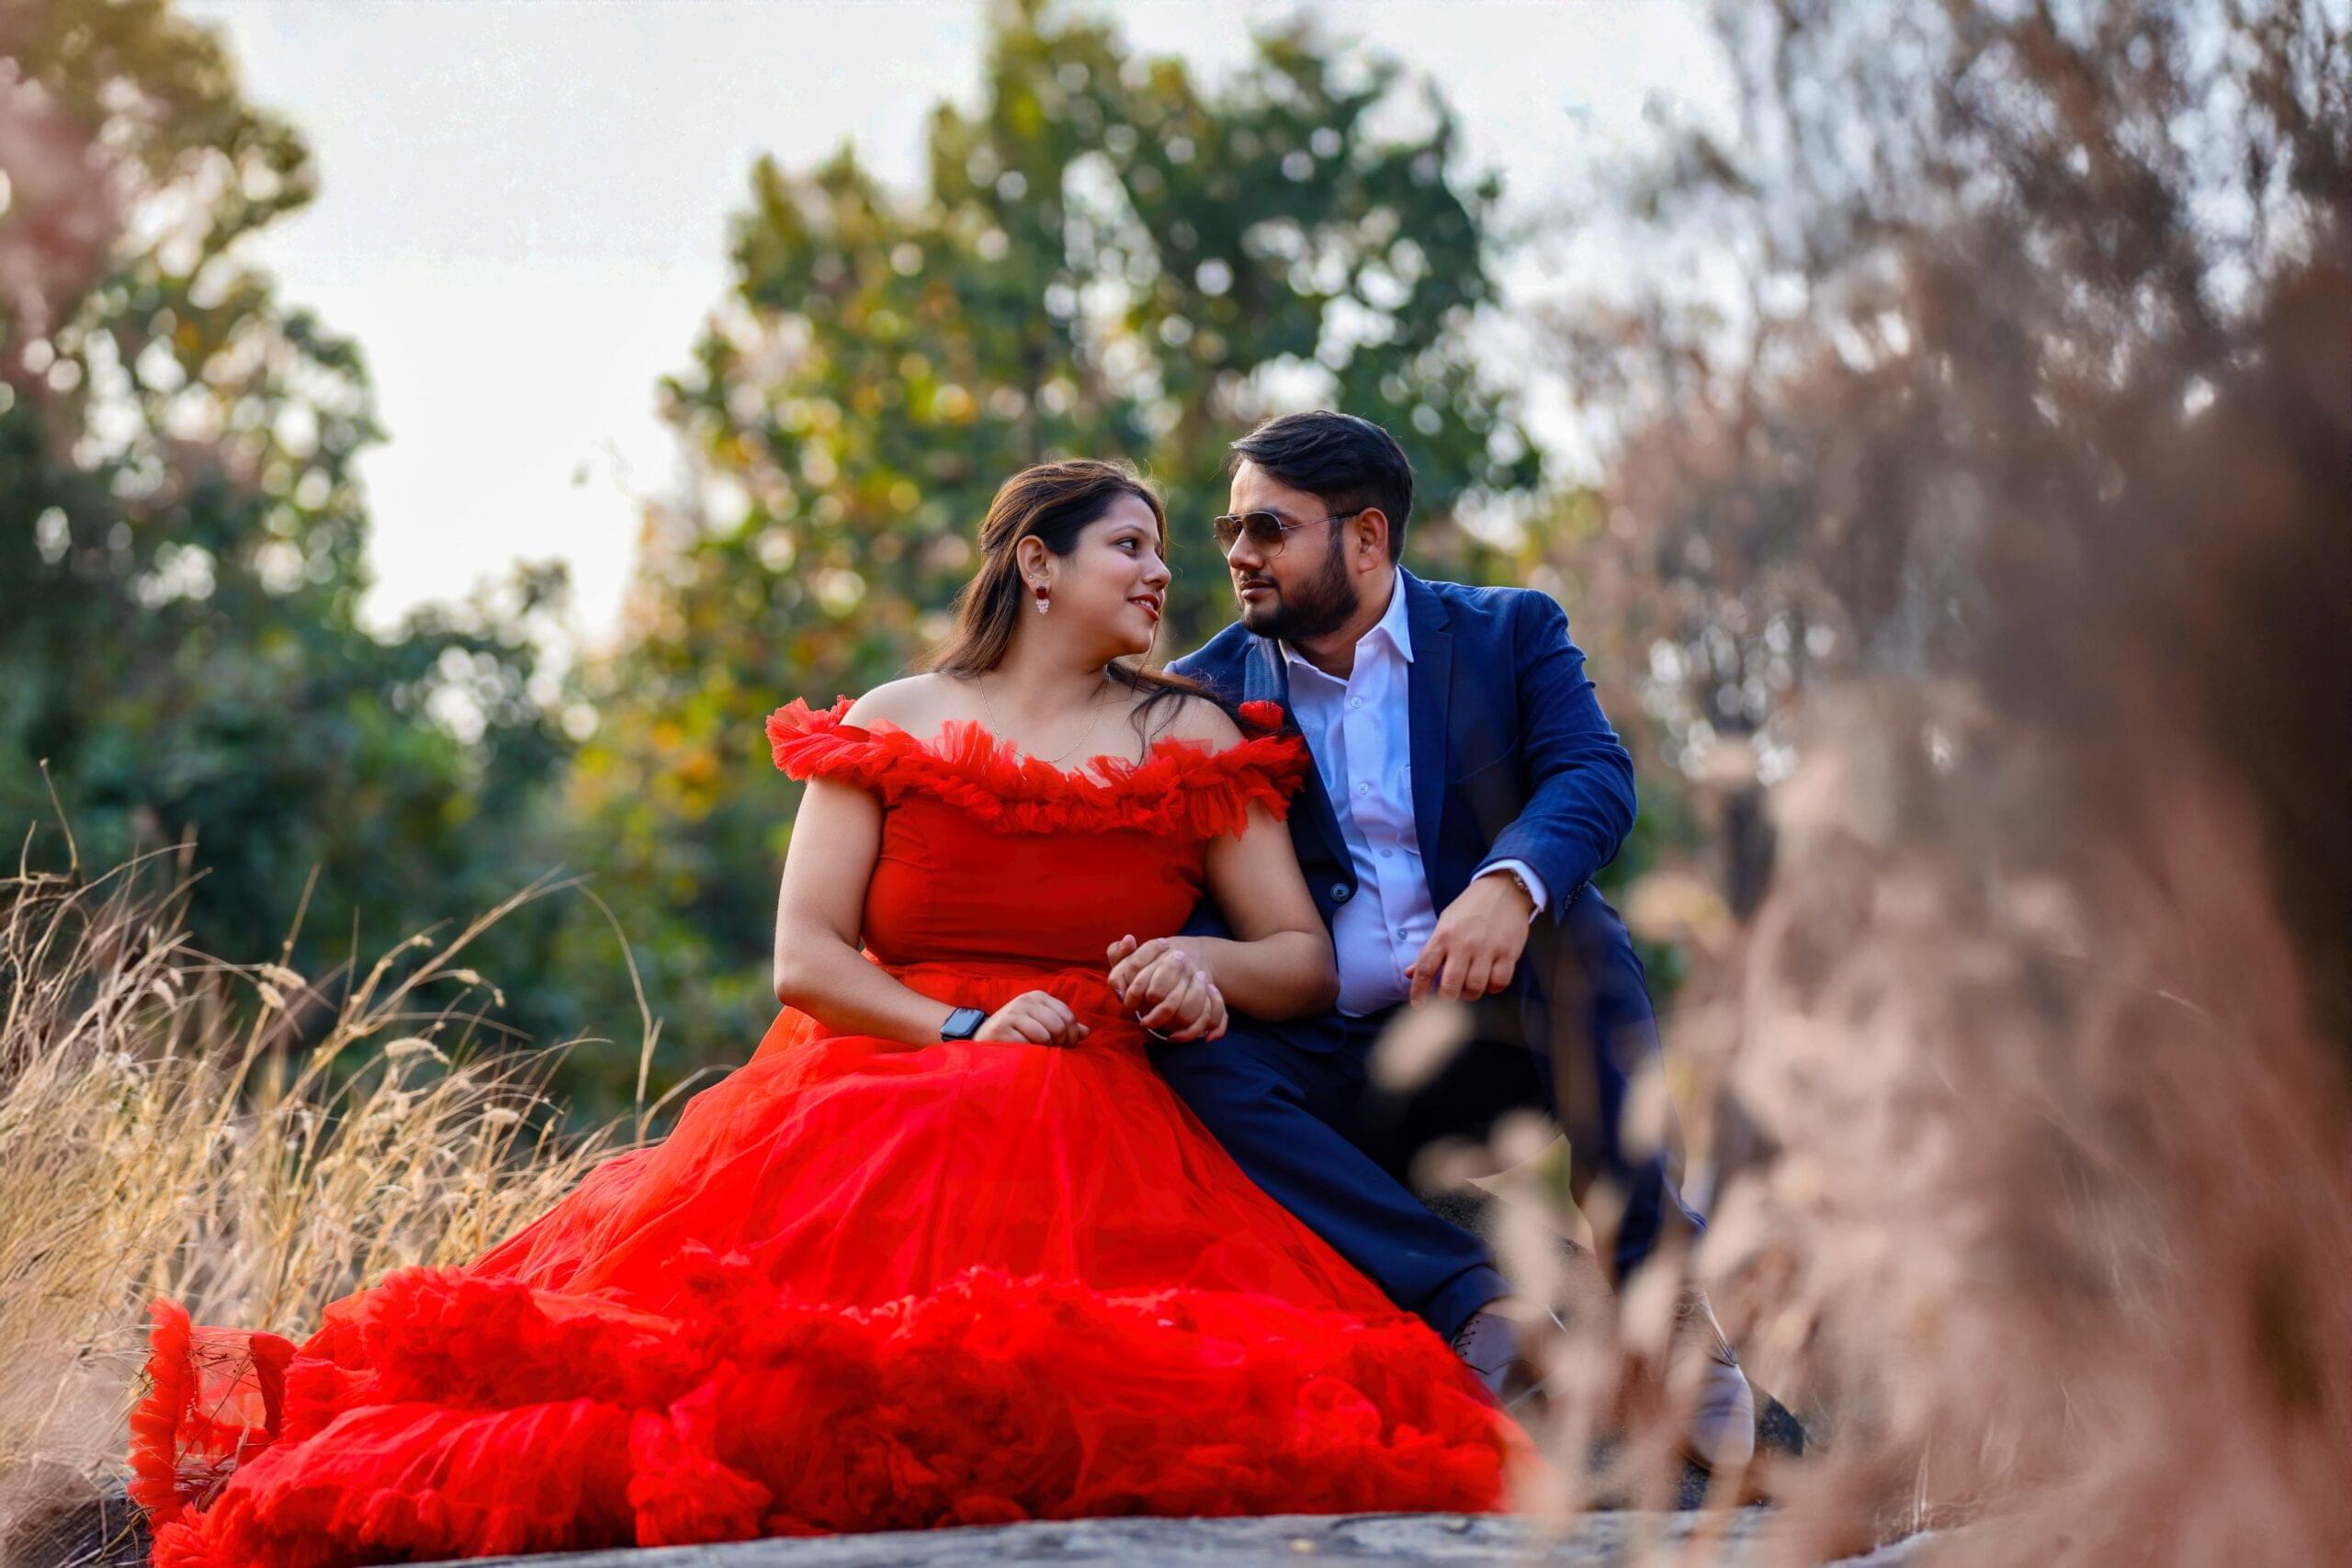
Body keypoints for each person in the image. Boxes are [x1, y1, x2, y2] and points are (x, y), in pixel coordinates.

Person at [128, 461, 1510, 1568]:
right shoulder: (895, 719)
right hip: (887, 1064)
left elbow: (1300, 958)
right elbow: (807, 956)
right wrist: (961, 1030)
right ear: (1037, 562)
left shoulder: (1194, 734)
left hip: (1109, 1089)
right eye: (1131, 546)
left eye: (1162, 552)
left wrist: (1201, 973)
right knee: (728, 1359)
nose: (1164, 574)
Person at [1150, 411, 1756, 1472]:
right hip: (1328, 1073)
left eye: (1267, 529)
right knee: (1190, 1052)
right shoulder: (1203, 693)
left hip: (1494, 1050)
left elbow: (1590, 777)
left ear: (1367, 537)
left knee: (1583, 937)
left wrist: (1506, 887)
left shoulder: (1508, 633)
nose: (1237, 554)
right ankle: (1482, 1316)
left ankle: (1667, 1307)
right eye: (1229, 527)